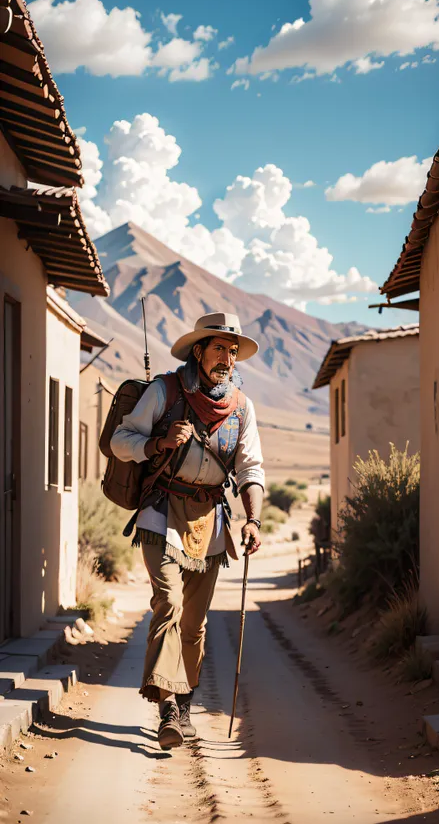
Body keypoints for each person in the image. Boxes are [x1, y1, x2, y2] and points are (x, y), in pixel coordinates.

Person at [110, 312, 265, 749]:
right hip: (160, 512)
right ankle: (168, 710)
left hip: (211, 523)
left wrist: (252, 519)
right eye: (219, 348)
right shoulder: (165, 391)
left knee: (195, 625)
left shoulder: (241, 407)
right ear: (198, 351)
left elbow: (250, 467)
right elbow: (120, 441)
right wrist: (158, 443)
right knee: (170, 605)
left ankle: (186, 702)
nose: (227, 358)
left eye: (233, 351)